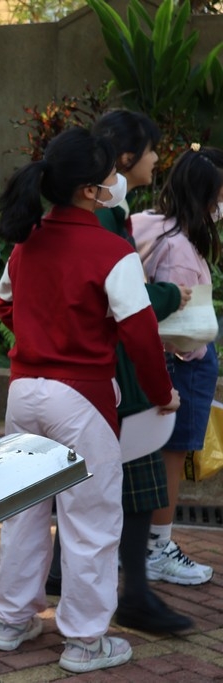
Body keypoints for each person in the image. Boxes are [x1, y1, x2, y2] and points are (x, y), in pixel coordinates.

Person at [0, 126, 179, 673]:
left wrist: (43, 336)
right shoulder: (112, 250)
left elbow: (6, 305)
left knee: (23, 512)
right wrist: (162, 394)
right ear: (91, 190)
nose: (117, 180)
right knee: (90, 520)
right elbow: (141, 334)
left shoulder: (26, 241)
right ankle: (85, 641)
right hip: (83, 398)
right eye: (110, 175)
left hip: (24, 392)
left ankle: (11, 621)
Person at [45, 110, 193, 634]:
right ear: (122, 161)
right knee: (135, 486)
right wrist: (172, 296)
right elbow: (128, 307)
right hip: (116, 378)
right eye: (151, 150)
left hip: (69, 379)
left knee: (85, 484)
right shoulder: (105, 217)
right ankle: (130, 599)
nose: (156, 159)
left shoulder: (62, 221)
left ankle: (62, 576)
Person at [133, 145, 223, 587]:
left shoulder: (151, 225)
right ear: (206, 195)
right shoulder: (181, 249)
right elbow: (178, 324)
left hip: (166, 362)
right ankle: (157, 547)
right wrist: (196, 356)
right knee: (170, 458)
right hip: (181, 362)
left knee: (157, 454)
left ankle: (145, 544)